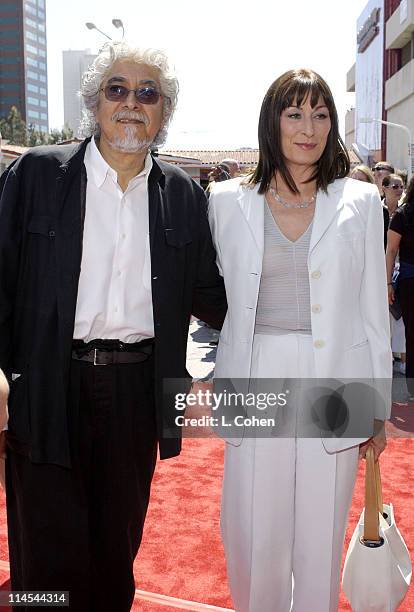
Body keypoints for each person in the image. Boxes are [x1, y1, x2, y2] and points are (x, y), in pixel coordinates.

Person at [0, 41, 226, 612]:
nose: (132, 103)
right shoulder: (37, 174)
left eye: (147, 93)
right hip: (47, 386)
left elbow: (217, 298)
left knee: (113, 550)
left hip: (136, 395)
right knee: (43, 562)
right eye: (117, 90)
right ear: (94, 103)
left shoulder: (182, 196)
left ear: (164, 111)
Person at [208, 68, 392, 612]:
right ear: (273, 121)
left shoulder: (360, 202)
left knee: (320, 532)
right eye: (294, 113)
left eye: (320, 114)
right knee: (251, 529)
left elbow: (372, 310)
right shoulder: (223, 201)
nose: (308, 128)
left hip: (333, 378)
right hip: (256, 372)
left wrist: (375, 405)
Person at [387, 174, 414, 402]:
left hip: (408, 282)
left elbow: (391, 251)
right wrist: (387, 283)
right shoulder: (403, 215)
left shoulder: (402, 214)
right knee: (411, 334)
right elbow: (391, 251)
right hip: (409, 281)